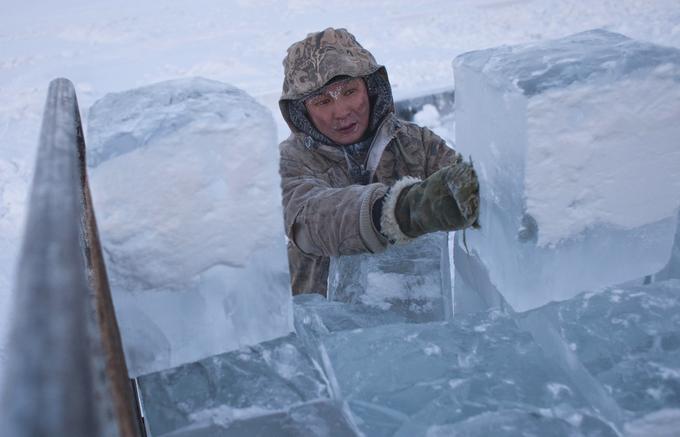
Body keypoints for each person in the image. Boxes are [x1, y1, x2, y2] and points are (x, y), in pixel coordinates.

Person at [278, 27, 479, 296]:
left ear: (371, 89)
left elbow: (473, 185)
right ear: (302, 113)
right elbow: (309, 221)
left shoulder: (416, 143)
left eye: (350, 91)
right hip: (323, 327)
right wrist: (400, 209)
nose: (342, 112)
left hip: (417, 318)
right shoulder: (289, 161)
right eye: (322, 101)